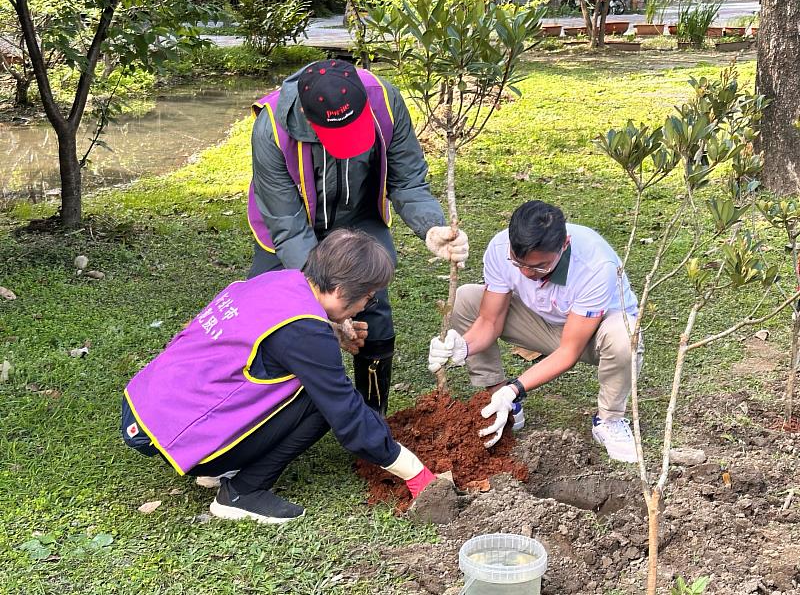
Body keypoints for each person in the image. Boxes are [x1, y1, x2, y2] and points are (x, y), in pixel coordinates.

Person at [121, 230, 436, 524]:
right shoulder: (305, 332)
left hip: (143, 409)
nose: (367, 306)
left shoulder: (277, 282)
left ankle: (218, 464)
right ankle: (241, 491)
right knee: (319, 399)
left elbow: (267, 340)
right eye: (369, 297)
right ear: (341, 291)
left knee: (297, 382)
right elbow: (346, 413)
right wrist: (415, 472)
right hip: (175, 435)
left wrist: (329, 329)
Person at [247, 58, 468, 416]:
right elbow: (288, 224)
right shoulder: (271, 128)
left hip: (357, 218)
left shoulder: (386, 103)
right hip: (290, 227)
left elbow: (407, 180)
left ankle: (372, 413)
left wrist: (431, 226)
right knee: (275, 314)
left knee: (370, 301)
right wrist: (329, 302)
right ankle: (259, 417)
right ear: (307, 117)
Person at [427, 201, 643, 463]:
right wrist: (463, 346)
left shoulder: (596, 265)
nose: (528, 274)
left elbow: (568, 350)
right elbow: (488, 320)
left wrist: (517, 387)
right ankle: (498, 400)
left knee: (626, 335)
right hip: (540, 322)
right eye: (519, 264)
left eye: (540, 267)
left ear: (564, 245)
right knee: (467, 299)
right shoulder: (499, 248)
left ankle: (610, 420)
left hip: (593, 335)